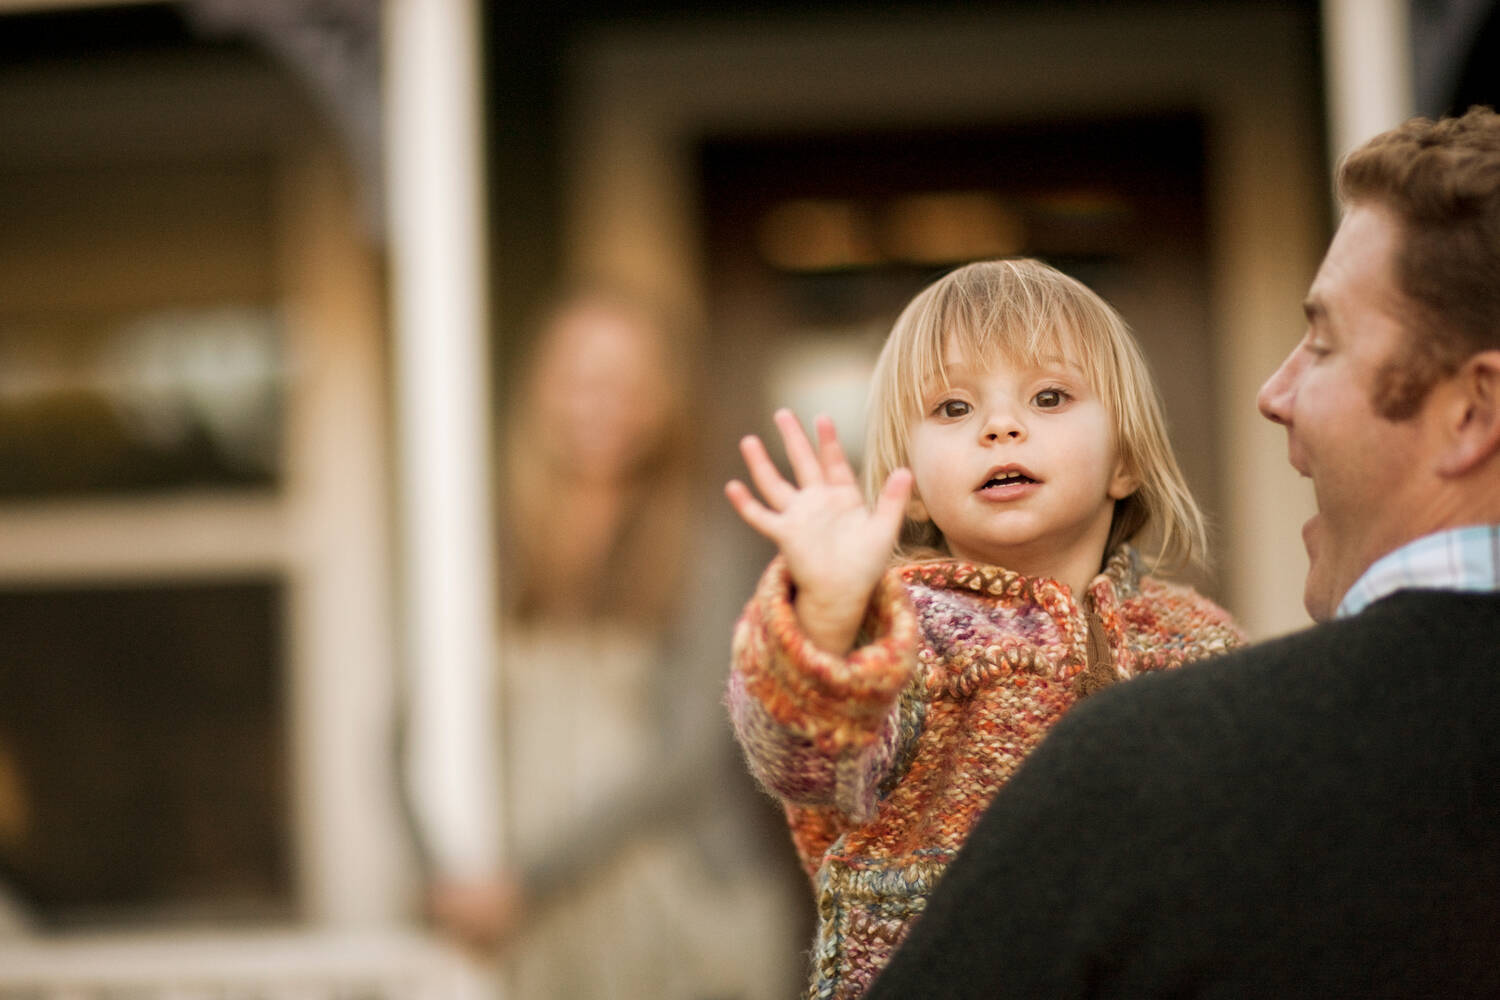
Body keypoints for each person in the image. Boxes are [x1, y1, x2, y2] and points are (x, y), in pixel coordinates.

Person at [863, 106, 1500, 999]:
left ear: (1473, 411)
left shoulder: (1176, 739)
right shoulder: (898, 633)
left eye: (1322, 341)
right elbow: (812, 736)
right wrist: (813, 626)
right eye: (953, 410)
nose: (1272, 392)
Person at [724, 259, 1245, 999]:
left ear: (1125, 459)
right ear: (909, 480)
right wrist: (830, 617)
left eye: (1049, 396)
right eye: (953, 409)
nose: (1001, 427)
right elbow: (800, 760)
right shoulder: (904, 635)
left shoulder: (1199, 643)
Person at [426, 289, 805, 1000]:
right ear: (537, 389)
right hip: (528, 928)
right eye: (580, 377)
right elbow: (406, 727)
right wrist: (448, 876)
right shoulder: (483, 550)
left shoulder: (707, 547)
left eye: (628, 381)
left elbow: (692, 753)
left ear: (663, 398)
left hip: (682, 912)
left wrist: (526, 881)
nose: (603, 401)